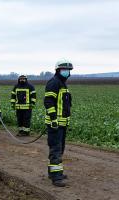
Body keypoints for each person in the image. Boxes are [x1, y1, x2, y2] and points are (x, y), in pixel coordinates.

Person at [44, 58, 73, 187]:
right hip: (55, 123)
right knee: (56, 149)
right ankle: (56, 177)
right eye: (64, 69)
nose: (66, 72)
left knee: (59, 149)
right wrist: (53, 119)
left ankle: (54, 172)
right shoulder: (54, 83)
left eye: (67, 70)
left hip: (62, 124)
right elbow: (48, 102)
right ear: (58, 70)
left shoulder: (62, 84)